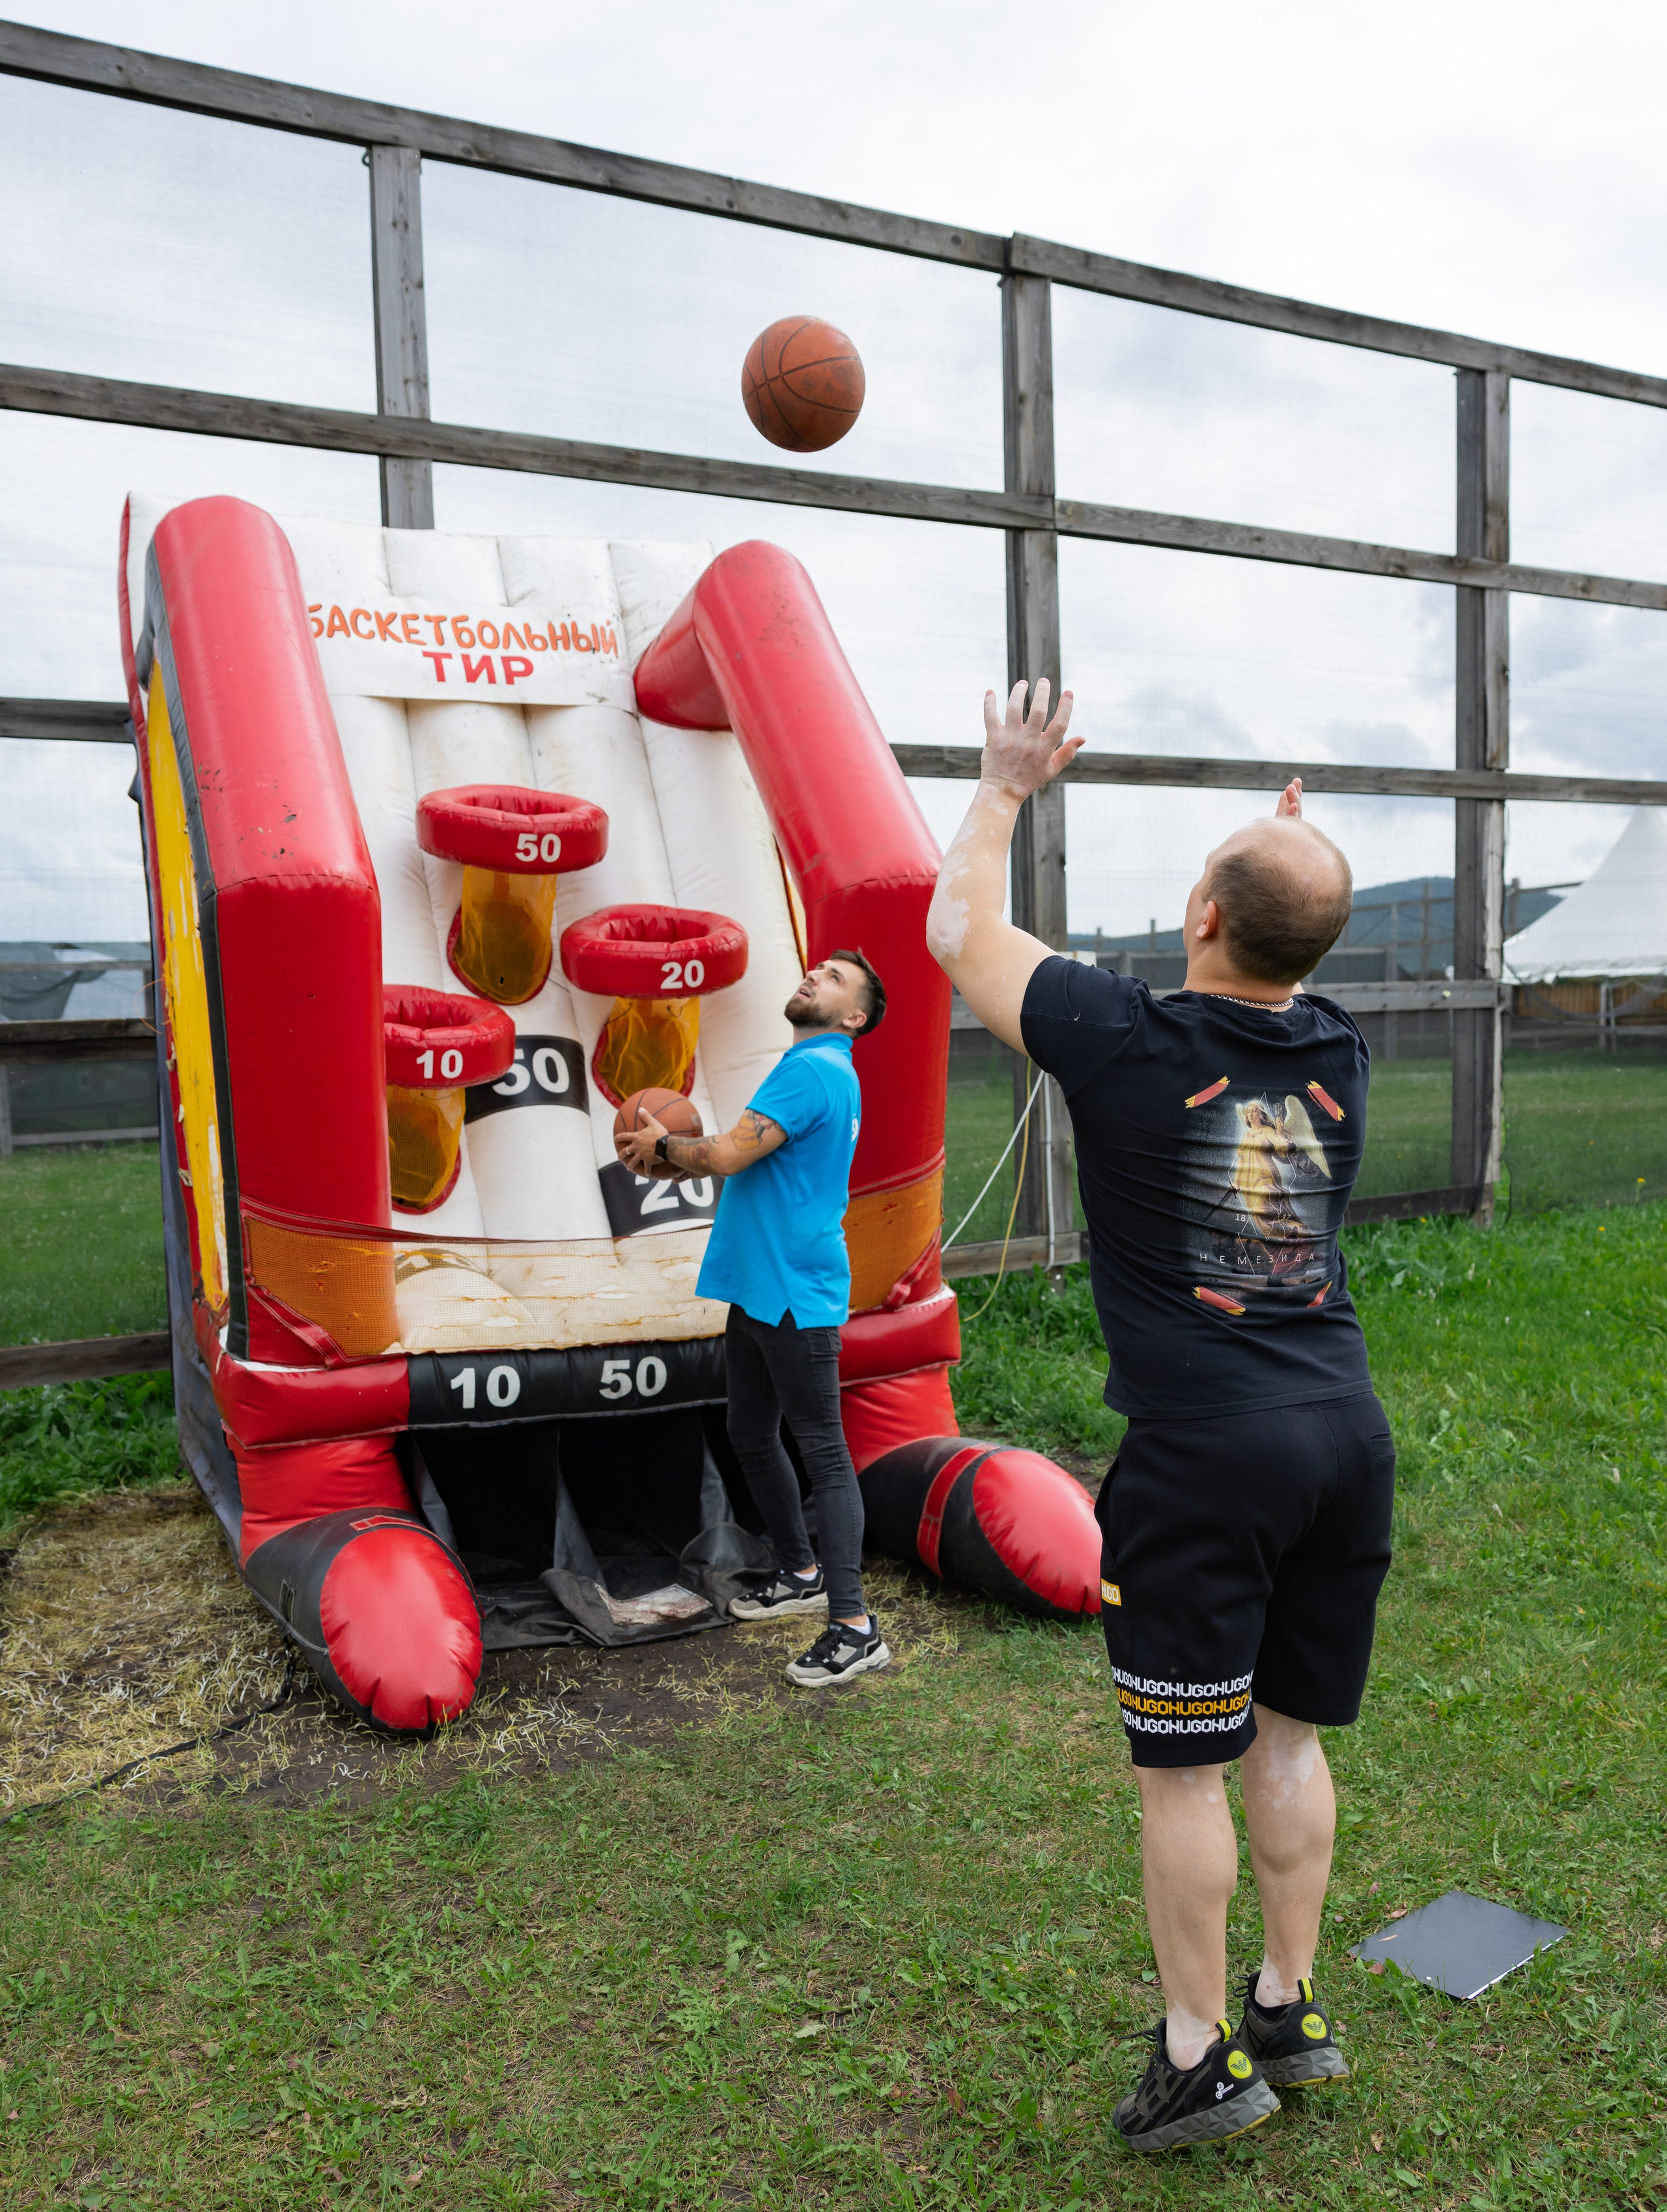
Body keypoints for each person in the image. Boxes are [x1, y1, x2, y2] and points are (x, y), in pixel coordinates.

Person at [926, 679, 1394, 2155]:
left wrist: (1005, 784)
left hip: (1208, 1459)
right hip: (1340, 1434)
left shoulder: (1120, 1039)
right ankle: (1283, 2002)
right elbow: (1285, 936)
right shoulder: (1333, 1051)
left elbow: (956, 935)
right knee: (1288, 1740)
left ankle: (1195, 2058)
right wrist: (1284, 860)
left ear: (1197, 911)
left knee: (1179, 1765)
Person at [615, 951, 891, 1688]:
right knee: (749, 1433)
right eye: (816, 969)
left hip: (795, 1292)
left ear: (854, 1016)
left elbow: (731, 1154)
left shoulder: (815, 1070)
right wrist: (677, 1156)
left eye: (835, 979)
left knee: (824, 1454)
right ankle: (800, 1570)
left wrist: (662, 1147)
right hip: (763, 1287)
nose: (814, 977)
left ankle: (854, 1626)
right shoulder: (817, 1068)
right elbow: (751, 1160)